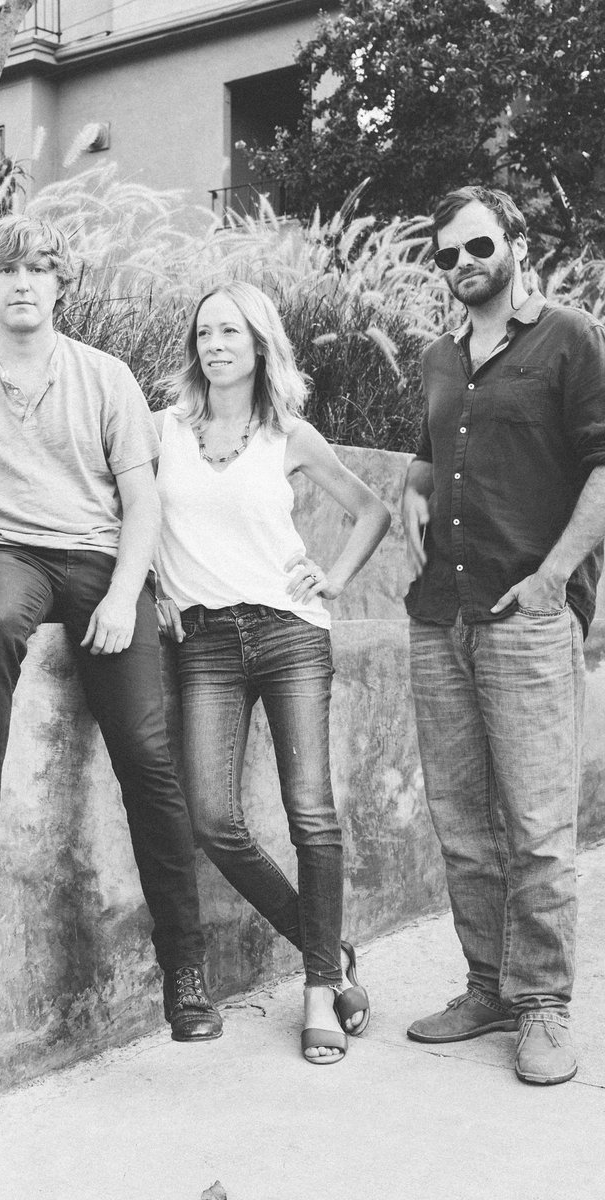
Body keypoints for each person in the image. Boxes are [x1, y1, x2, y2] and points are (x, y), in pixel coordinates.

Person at [0, 214, 222, 1042]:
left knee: (146, 754)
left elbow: (142, 502)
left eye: (38, 269)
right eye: (5, 270)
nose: (22, 283)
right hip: (6, 552)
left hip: (102, 559)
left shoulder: (105, 377)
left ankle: (184, 968)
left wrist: (123, 596)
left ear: (59, 286)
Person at [153, 281, 389, 1064]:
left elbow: (373, 510)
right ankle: (333, 953)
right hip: (205, 643)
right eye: (204, 332)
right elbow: (128, 508)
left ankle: (318, 988)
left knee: (311, 813)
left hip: (290, 633)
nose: (214, 345)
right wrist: (150, 584)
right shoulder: (164, 430)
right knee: (213, 820)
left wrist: (335, 577)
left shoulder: (290, 436)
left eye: (230, 331)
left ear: (260, 345)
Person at [401, 186, 605, 1086]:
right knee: (461, 822)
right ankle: (487, 986)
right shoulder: (439, 358)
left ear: (516, 241)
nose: (462, 265)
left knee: (536, 827)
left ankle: (544, 1003)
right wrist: (413, 486)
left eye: (477, 246)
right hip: (440, 615)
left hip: (527, 615)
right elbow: (428, 455)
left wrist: (555, 577)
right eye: (446, 255)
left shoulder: (570, 337)